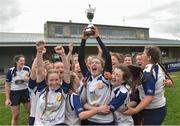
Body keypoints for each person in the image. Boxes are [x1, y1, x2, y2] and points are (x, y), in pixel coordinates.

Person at [123, 46, 171, 125]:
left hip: (153, 110)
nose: (141, 55)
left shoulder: (148, 73)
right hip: (158, 107)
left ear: (149, 57)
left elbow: (149, 97)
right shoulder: (157, 65)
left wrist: (135, 110)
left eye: (143, 53)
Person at [78, 26, 114, 125]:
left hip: (106, 121)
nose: (94, 64)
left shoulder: (105, 77)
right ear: (89, 67)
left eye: (97, 62)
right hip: (91, 119)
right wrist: (83, 39)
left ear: (102, 68)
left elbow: (108, 56)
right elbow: (80, 59)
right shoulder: (87, 77)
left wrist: (97, 37)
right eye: (92, 63)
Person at [34, 41, 70, 125]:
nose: (54, 83)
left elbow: (67, 71)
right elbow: (39, 70)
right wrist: (39, 52)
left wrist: (62, 54)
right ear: (46, 81)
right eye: (51, 80)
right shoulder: (41, 89)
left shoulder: (63, 90)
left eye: (56, 80)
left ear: (60, 79)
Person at [5, 55, 30, 125]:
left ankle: (30, 123)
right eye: (21, 61)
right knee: (15, 116)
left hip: (26, 92)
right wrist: (7, 99)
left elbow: (32, 79)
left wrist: (28, 79)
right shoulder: (11, 71)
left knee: (30, 112)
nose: (23, 62)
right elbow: (7, 85)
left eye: (24, 61)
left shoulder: (27, 69)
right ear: (16, 62)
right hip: (15, 93)